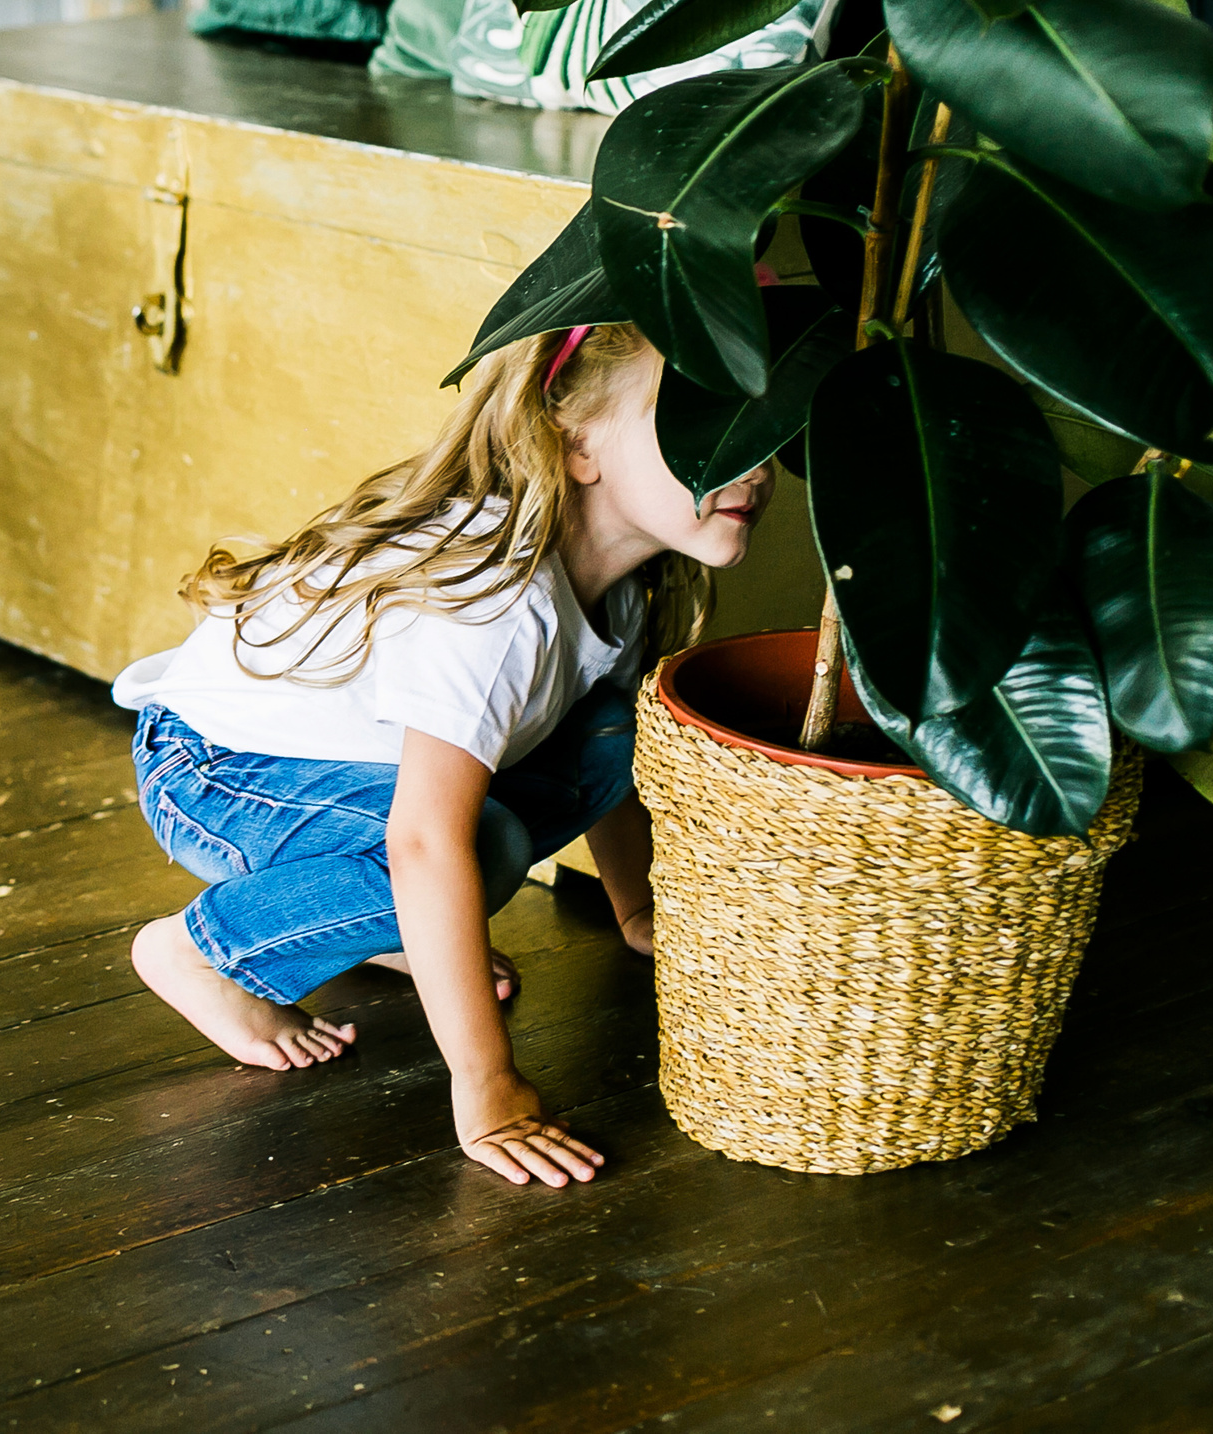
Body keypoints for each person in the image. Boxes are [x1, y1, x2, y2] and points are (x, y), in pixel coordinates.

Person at [111, 322, 769, 1188]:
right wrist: (488, 1083)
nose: (753, 461)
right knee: (474, 848)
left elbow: (607, 777)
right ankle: (202, 953)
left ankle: (387, 929)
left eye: (764, 423)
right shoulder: (500, 604)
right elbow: (425, 840)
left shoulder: (628, 590)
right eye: (697, 417)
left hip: (331, 773)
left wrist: (638, 910)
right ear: (579, 446)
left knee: (614, 737)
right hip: (214, 770)